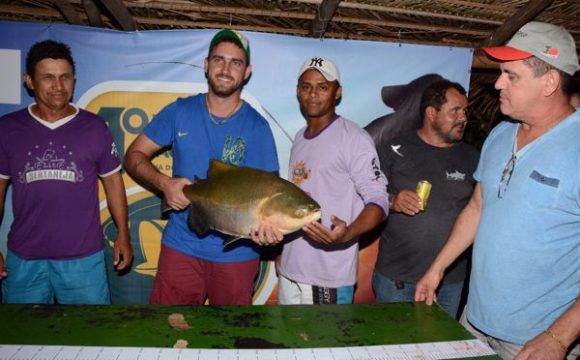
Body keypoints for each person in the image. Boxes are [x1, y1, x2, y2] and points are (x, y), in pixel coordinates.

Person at [414, 21, 580, 359]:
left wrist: (559, 338)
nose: (497, 83)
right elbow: (477, 207)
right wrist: (438, 268)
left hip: (536, 339)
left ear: (549, 82)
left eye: (511, 75)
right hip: (474, 321)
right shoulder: (500, 134)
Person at [124, 29, 281, 306]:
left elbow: (271, 198)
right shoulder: (179, 111)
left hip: (237, 254)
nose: (225, 68)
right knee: (167, 335)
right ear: (206, 65)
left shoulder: (258, 128)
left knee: (232, 341)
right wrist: (164, 183)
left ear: (247, 72)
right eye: (219, 60)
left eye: (236, 62)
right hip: (181, 247)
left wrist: (268, 230)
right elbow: (134, 156)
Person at [0, 40, 132, 304]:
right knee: (23, 339)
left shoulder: (95, 127)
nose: (58, 86)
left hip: (83, 259)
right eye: (48, 78)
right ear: (29, 81)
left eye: (65, 77)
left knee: (89, 338)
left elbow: (114, 183)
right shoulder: (7, 128)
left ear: (74, 80)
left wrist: (123, 235)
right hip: (24, 258)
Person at [277, 57, 388, 304]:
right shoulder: (299, 138)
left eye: (322, 87)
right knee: (286, 343)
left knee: (323, 344)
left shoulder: (354, 138)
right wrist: (283, 252)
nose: (313, 94)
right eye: (306, 86)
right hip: (289, 271)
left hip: (327, 274)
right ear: (298, 91)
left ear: (338, 93)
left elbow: (379, 200)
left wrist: (348, 234)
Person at [372, 79, 478, 319]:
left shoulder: (472, 158)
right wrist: (392, 201)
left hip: (448, 282)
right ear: (431, 113)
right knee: (393, 349)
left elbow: (478, 211)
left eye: (465, 111)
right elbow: (366, 197)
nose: (463, 118)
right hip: (396, 279)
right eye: (455, 111)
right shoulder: (393, 148)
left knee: (438, 350)